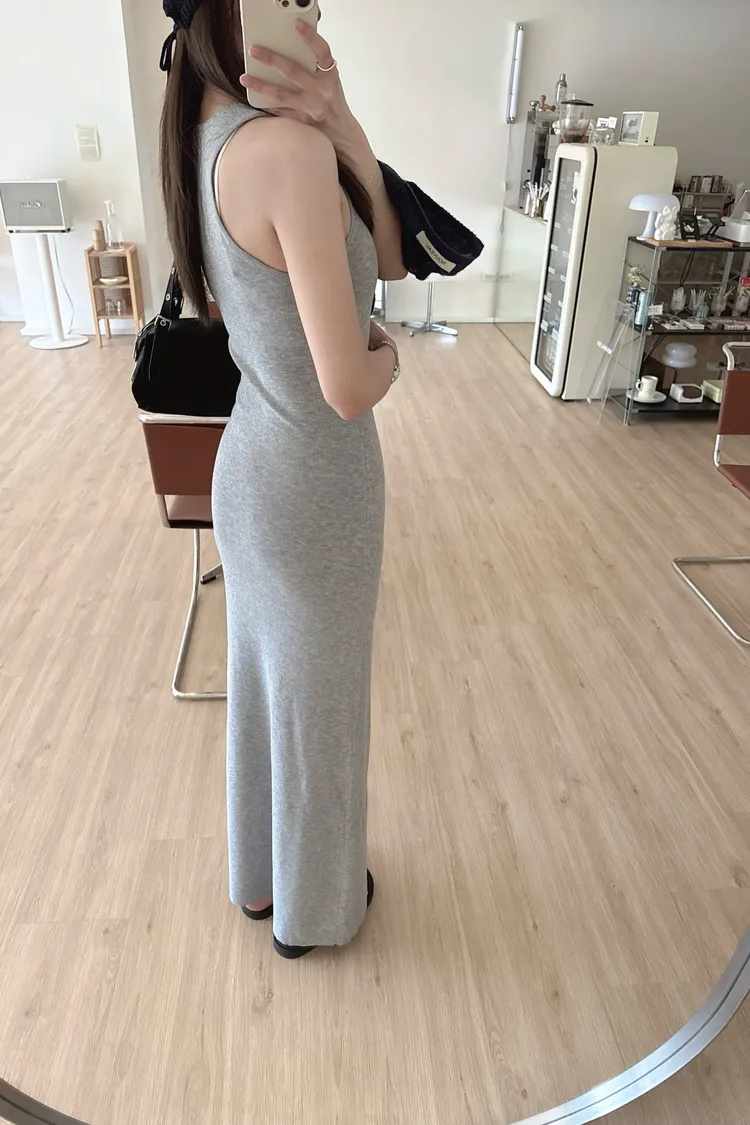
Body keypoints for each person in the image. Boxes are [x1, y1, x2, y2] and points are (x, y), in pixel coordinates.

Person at [159, 0, 406, 959]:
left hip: (253, 463)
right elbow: (347, 385)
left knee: (270, 694)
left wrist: (343, 125)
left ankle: (264, 883)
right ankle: (318, 913)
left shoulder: (204, 135)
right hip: (316, 479)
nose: (310, 9)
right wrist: (392, 355)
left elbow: (385, 255)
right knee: (323, 708)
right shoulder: (288, 155)